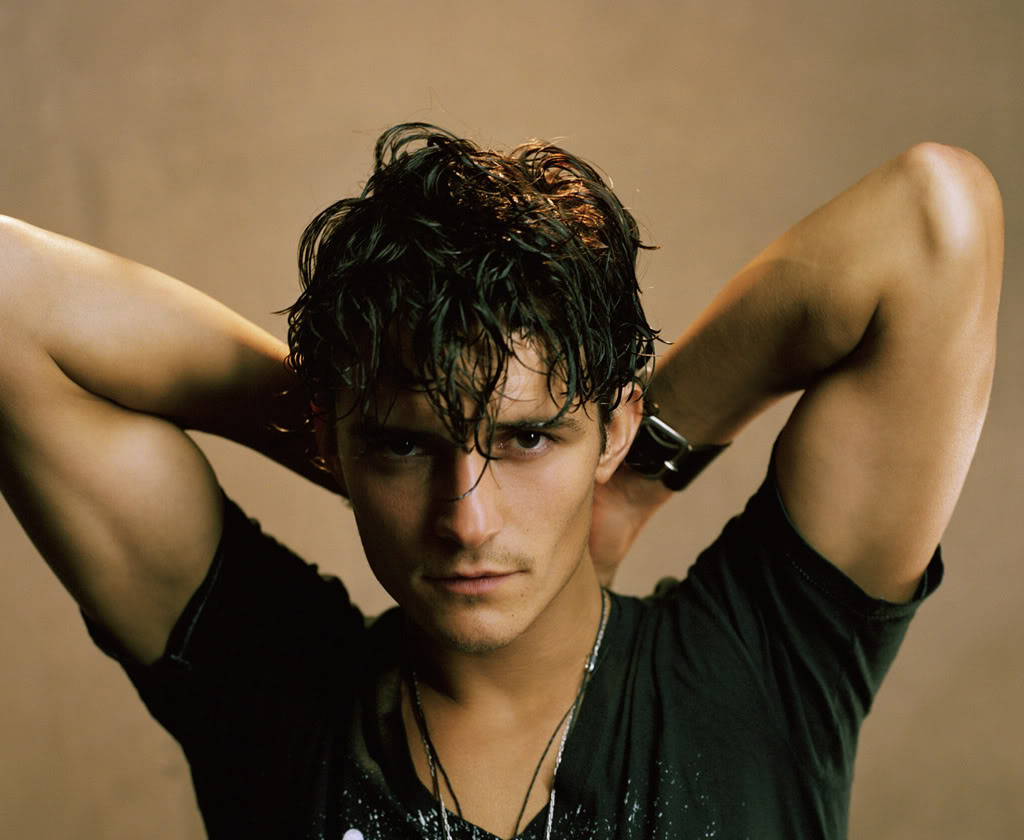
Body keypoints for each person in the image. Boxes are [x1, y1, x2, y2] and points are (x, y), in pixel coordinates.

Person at [0, 123, 1002, 839]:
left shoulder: (757, 673)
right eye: (407, 448)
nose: (467, 519)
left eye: (526, 439)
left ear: (609, 429)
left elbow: (934, 217)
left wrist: (638, 476)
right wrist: (345, 421)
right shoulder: (272, 696)